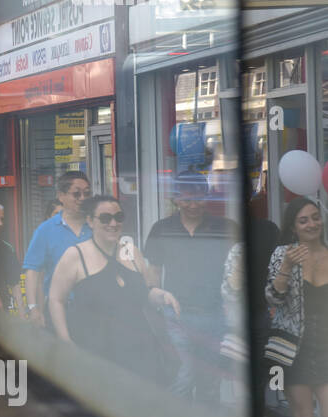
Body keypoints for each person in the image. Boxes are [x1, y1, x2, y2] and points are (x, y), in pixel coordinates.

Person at [47, 195, 180, 380]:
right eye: (105, 218)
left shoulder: (131, 251)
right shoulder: (76, 255)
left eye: (118, 217)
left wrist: (162, 295)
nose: (113, 223)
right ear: (90, 221)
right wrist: (65, 339)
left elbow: (145, 292)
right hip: (97, 353)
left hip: (139, 350)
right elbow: (56, 299)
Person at [143, 171, 239, 402]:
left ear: (207, 197)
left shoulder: (225, 227)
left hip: (216, 315)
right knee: (182, 377)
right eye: (186, 199)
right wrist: (156, 299)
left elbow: (238, 268)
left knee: (209, 382)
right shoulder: (162, 228)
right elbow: (153, 271)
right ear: (175, 199)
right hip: (177, 316)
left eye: (198, 198)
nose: (193, 205)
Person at [266, 196, 328, 417]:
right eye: (304, 220)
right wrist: (288, 266)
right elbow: (272, 298)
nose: (312, 224)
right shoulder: (283, 254)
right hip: (293, 349)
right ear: (293, 227)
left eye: (316, 217)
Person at [22, 171, 92, 324]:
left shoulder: (97, 225)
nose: (83, 199)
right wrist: (33, 308)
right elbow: (32, 272)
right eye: (76, 194)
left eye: (87, 194)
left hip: (96, 309)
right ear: (61, 196)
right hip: (59, 309)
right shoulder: (45, 230)